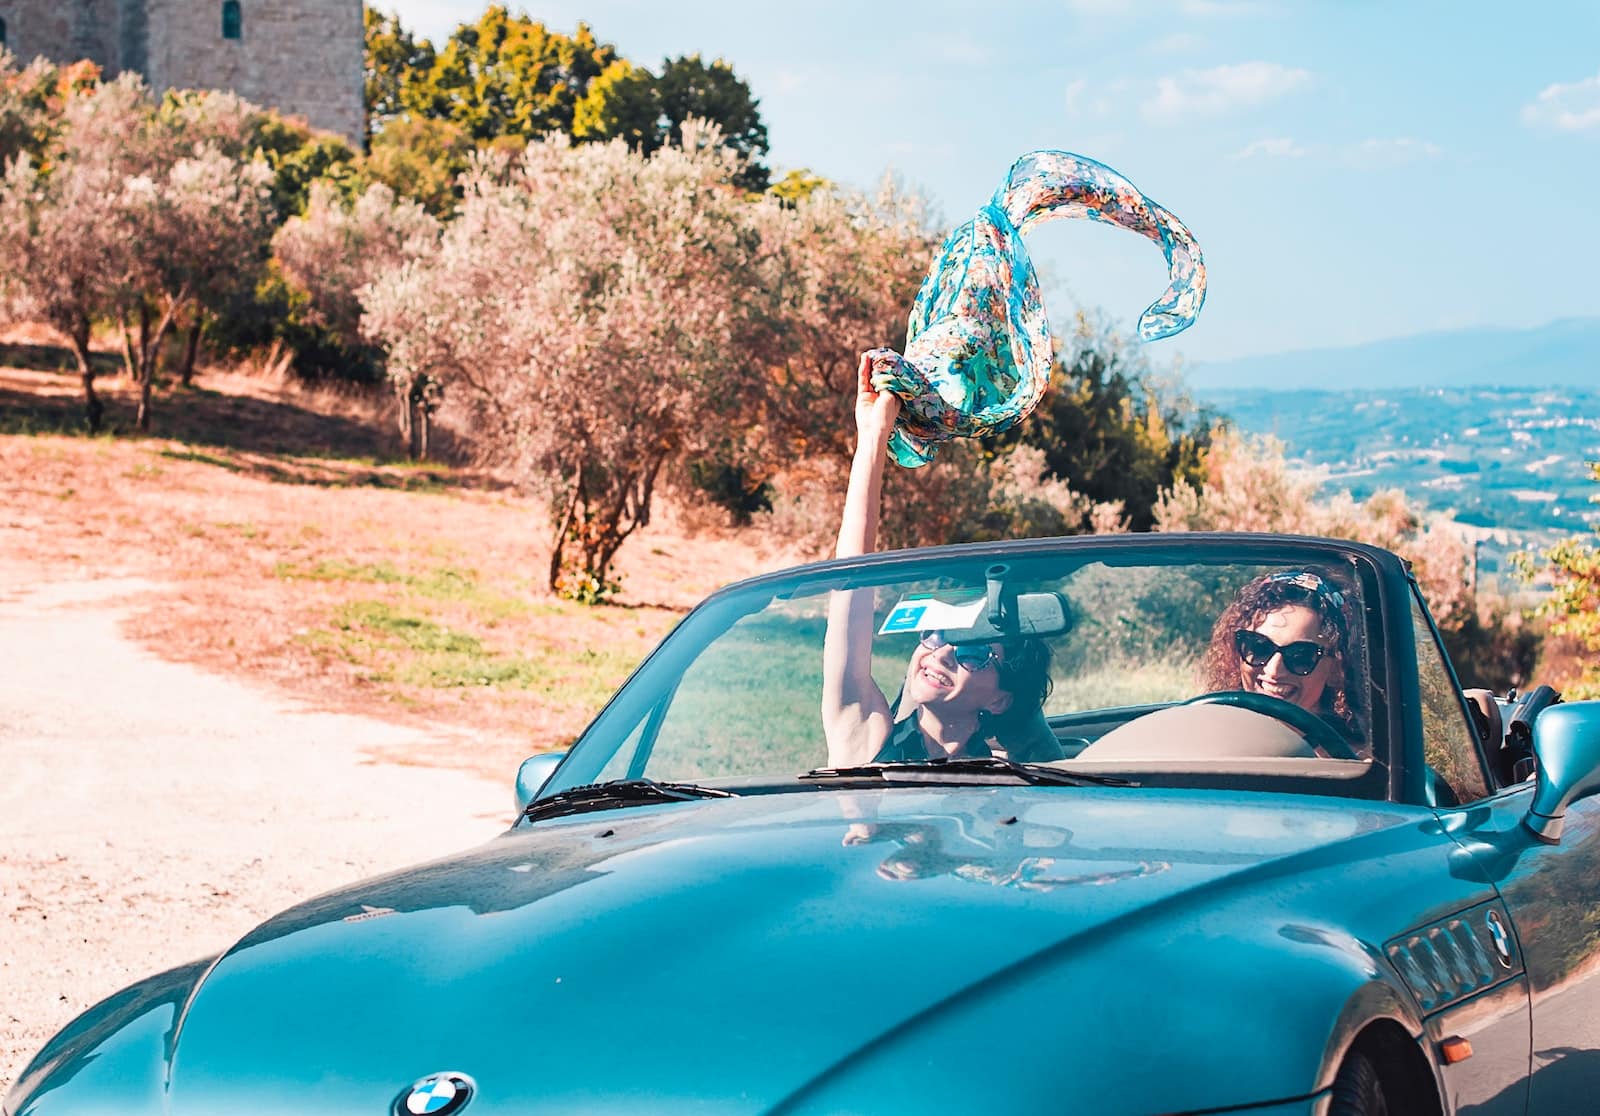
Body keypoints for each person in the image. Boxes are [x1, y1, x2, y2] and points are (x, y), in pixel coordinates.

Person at [821, 355, 1056, 768]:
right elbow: (850, 584)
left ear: (1000, 699)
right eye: (934, 634)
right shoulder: (865, 739)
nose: (942, 653)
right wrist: (874, 436)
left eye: (974, 653)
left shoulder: (1015, 786)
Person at [1197, 569, 1364, 746]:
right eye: (1259, 646)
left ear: (1336, 669)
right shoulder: (1205, 739)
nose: (1274, 671)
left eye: (1300, 655)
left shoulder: (1360, 764)